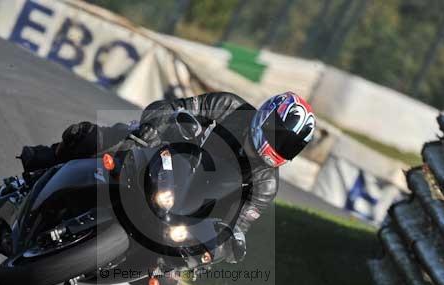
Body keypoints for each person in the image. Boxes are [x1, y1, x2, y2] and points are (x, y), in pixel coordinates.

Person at [20, 91, 315, 263]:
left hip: (183, 209)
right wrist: (154, 126)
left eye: (289, 145)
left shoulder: (266, 184)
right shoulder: (229, 107)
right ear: (267, 115)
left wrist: (217, 249)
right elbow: (173, 107)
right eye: (278, 134)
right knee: (90, 137)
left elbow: (238, 226)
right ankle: (47, 161)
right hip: (160, 154)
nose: (278, 145)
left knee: (161, 282)